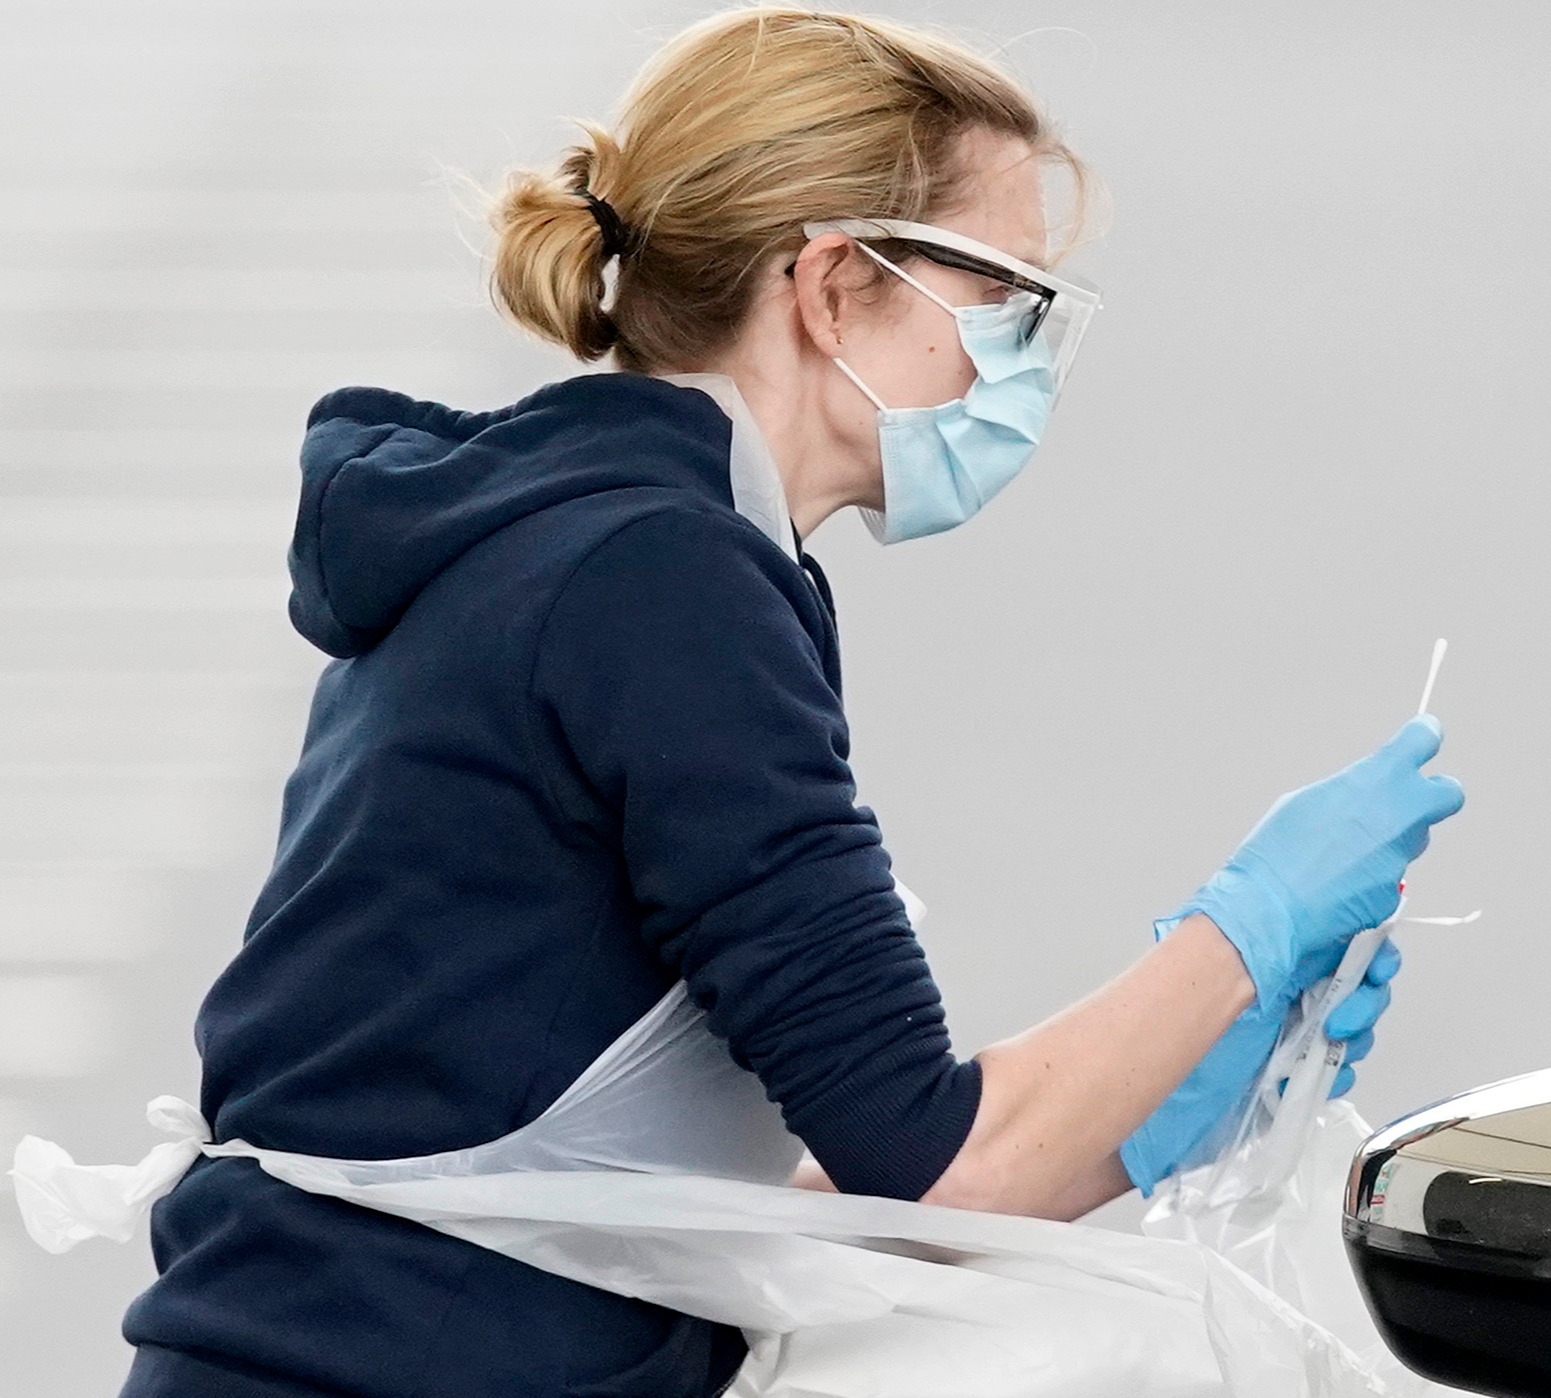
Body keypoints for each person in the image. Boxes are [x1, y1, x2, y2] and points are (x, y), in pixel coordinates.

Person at [117, 9, 1462, 1396]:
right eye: (1011, 296)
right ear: (829, 286)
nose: (1034, 361)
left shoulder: (599, 543)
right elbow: (939, 1164)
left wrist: (1148, 1107)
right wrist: (1247, 929)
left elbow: (713, 1191)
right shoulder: (663, 584)